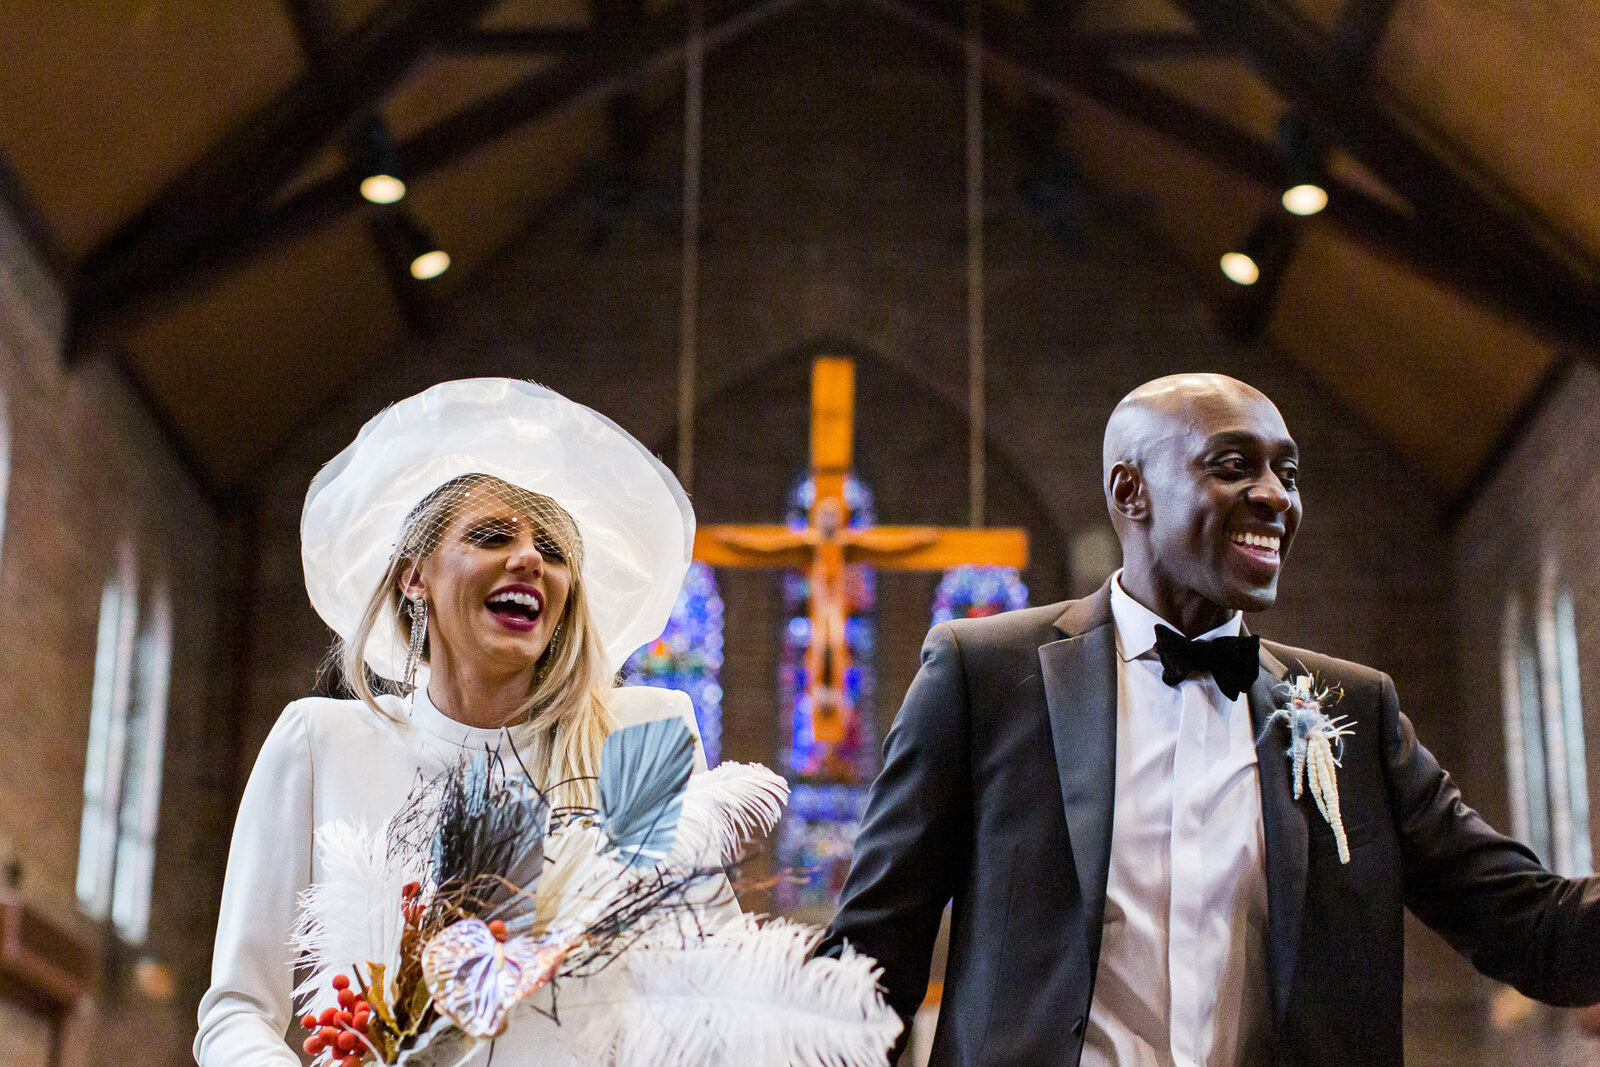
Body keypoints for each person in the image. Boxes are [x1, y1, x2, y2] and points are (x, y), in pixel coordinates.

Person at [817, 373, 1600, 1066]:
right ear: (1132, 492)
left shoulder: (1352, 711)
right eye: (1234, 466)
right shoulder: (983, 676)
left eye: (1287, 473)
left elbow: (1530, 924)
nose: (1276, 496)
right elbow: (869, 959)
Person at [195, 378, 714, 1066]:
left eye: (554, 551)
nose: (530, 558)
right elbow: (236, 1011)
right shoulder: (320, 743)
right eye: (492, 535)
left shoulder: (640, 738)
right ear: (414, 577)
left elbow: (709, 979)